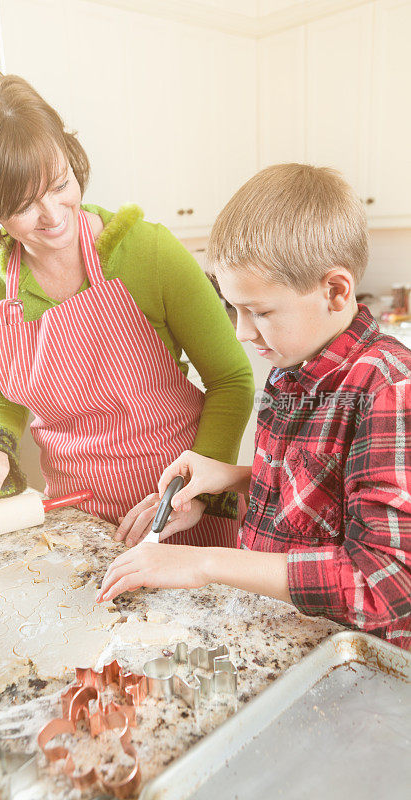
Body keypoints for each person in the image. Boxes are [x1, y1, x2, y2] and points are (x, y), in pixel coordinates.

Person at [0, 72, 254, 548]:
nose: (54, 214)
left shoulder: (150, 252)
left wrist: (194, 495)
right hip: (80, 525)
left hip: (186, 517)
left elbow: (232, 380)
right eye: (24, 205)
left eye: (61, 184)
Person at [97, 163, 411, 649]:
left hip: (355, 663)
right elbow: (317, 500)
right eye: (235, 309)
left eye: (260, 312)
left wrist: (204, 563)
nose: (243, 332)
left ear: (335, 291)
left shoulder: (388, 388)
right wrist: (226, 482)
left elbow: (385, 584)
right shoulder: (293, 364)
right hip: (286, 636)